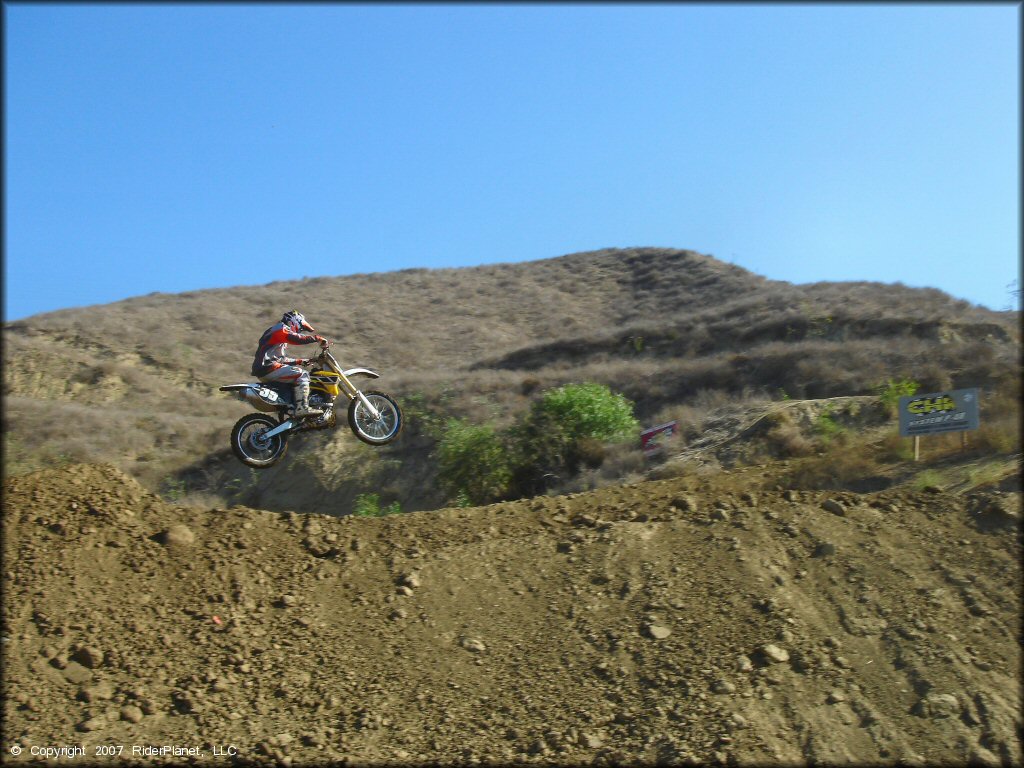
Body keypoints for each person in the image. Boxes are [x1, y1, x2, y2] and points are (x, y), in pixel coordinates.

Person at [251, 310, 326, 418]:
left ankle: (291, 408)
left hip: (266, 369)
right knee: (303, 375)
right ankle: (302, 408)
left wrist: (300, 361)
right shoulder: (280, 329)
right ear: (293, 322)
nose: (299, 331)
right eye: (300, 327)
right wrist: (316, 338)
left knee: (292, 381)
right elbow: (296, 338)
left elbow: (281, 359)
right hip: (268, 368)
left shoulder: (278, 335)